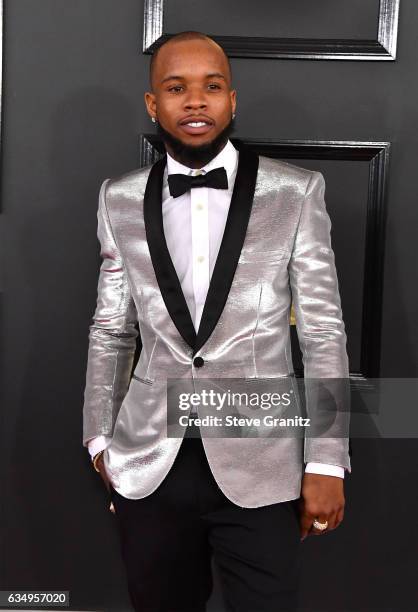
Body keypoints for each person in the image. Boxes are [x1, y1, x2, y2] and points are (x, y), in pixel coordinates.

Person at [82, 30, 351, 612]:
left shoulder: (296, 192)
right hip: (148, 463)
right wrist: (99, 437)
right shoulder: (119, 199)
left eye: (212, 86)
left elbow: (325, 333)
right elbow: (111, 330)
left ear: (233, 99)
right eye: (177, 88)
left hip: (262, 462)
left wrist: (326, 459)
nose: (196, 101)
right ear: (154, 105)